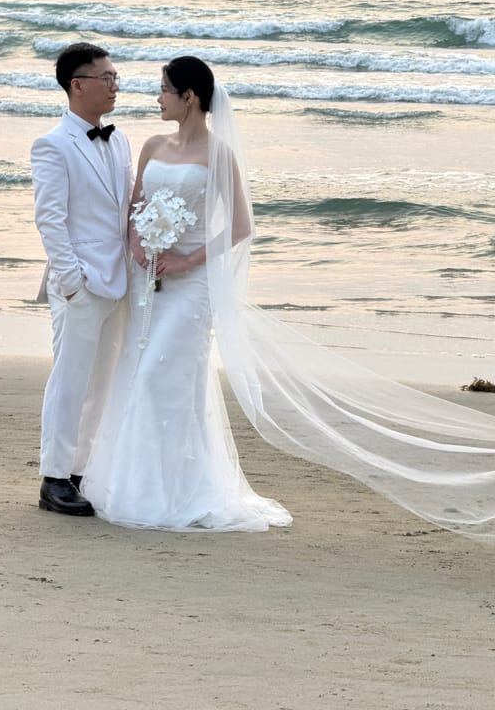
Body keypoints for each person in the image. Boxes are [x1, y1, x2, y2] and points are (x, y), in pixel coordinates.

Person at [79, 56, 495, 539]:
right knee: (139, 374)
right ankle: (137, 485)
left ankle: (177, 491)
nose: (158, 98)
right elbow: (135, 207)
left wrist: (186, 261)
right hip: (147, 278)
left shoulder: (218, 154)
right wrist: (138, 244)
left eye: (165, 90)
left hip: (190, 285)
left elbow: (239, 226)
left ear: (189, 98)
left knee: (165, 379)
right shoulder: (152, 144)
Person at [31, 42, 133, 516]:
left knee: (103, 381)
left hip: (119, 279)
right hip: (80, 282)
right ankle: (53, 478)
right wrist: (71, 280)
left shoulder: (121, 140)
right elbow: (50, 219)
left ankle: (79, 470)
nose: (115, 85)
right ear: (77, 85)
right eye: (106, 78)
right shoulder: (52, 144)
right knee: (70, 378)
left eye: (116, 77)